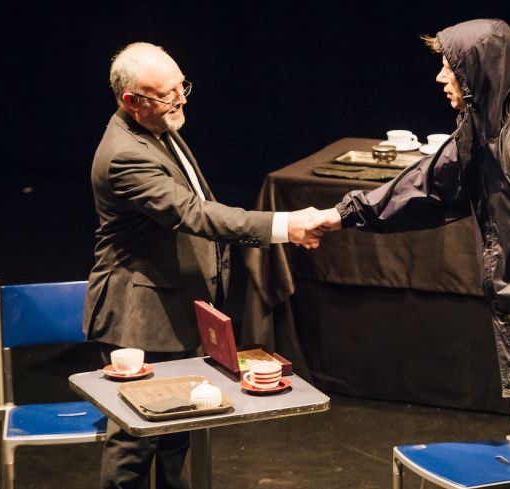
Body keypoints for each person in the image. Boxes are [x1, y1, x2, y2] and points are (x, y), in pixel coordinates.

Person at [311, 19, 510, 488]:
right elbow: (421, 187)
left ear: (478, 73)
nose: (442, 79)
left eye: (450, 69)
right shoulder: (482, 133)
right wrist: (341, 215)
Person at [83, 42, 321, 489]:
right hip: (142, 317)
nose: (181, 99)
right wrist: (284, 225)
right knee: (136, 440)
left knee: (180, 430)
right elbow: (195, 214)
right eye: (167, 93)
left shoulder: (158, 126)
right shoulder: (125, 154)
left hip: (176, 304)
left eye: (182, 87)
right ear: (131, 100)